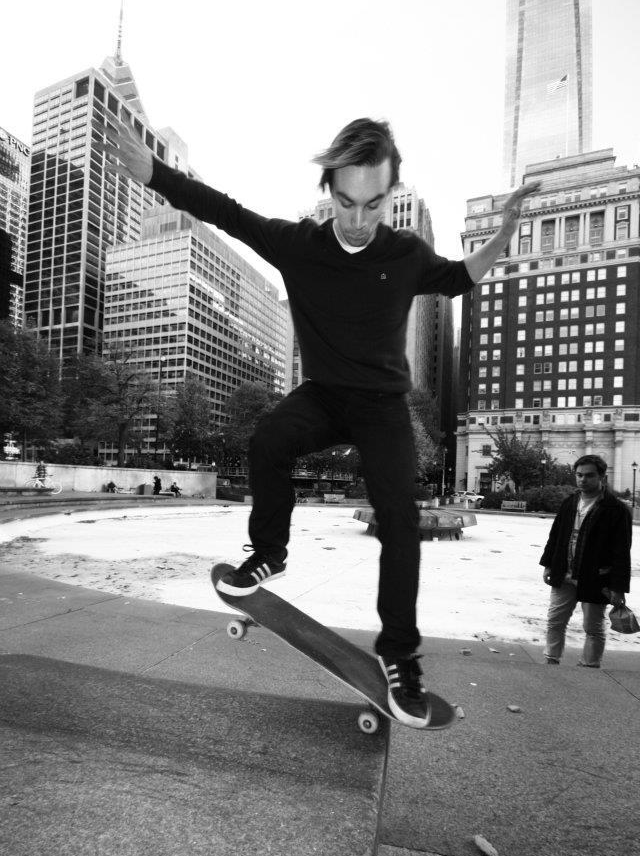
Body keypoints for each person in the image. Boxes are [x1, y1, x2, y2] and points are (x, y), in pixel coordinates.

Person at [102, 117, 539, 727]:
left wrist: (507, 233)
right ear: (328, 189)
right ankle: (271, 552)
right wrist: (156, 175)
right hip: (324, 394)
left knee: (400, 518)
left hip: (384, 405)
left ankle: (400, 656)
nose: (360, 220)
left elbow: (461, 278)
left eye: (375, 204)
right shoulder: (298, 244)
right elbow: (225, 211)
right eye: (346, 202)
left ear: (392, 193)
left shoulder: (406, 254)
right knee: (269, 437)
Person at [540, 455, 632, 668]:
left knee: (593, 627)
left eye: (589, 475)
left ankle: (590, 665)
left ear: (602, 476)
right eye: (579, 475)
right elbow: (555, 537)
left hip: (595, 576)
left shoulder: (616, 509)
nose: (583, 480)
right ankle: (551, 659)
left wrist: (618, 588)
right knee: (555, 620)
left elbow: (621, 551)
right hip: (564, 573)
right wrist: (548, 564)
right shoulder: (570, 502)